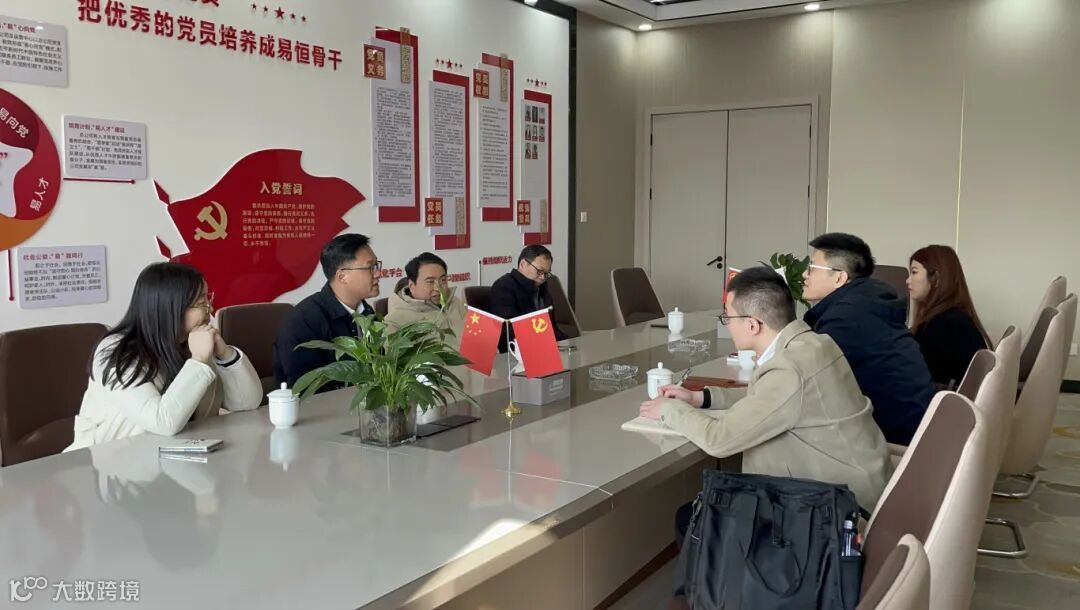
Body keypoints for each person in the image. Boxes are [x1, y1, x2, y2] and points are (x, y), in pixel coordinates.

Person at [640, 266, 892, 517]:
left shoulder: (789, 370)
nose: (727, 325)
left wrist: (669, 409)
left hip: (836, 511)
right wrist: (701, 397)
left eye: (728, 317)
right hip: (858, 488)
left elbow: (719, 440)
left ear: (752, 325)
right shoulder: (815, 343)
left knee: (692, 517)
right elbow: (769, 396)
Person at [67, 262, 262, 450]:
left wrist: (225, 354)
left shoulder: (193, 341)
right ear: (171, 307)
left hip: (181, 458)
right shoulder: (116, 351)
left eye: (207, 299)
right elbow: (162, 422)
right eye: (201, 302)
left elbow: (247, 403)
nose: (210, 310)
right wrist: (198, 361)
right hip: (113, 463)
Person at [802, 232, 934, 446]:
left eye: (812, 268)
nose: (804, 275)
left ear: (839, 277)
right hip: (916, 425)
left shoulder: (846, 318)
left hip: (892, 437)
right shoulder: (867, 303)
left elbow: (807, 381)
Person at [273, 234, 381, 389]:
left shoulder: (367, 312)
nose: (378, 274)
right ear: (342, 276)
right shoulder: (304, 321)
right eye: (370, 267)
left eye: (376, 266)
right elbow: (306, 387)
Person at [907, 245, 989, 389]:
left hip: (938, 400)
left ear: (936, 278)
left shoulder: (942, 325)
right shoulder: (955, 317)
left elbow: (916, 378)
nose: (908, 280)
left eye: (914, 272)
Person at [489, 244, 568, 351]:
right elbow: (506, 332)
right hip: (518, 352)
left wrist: (567, 342)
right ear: (523, 264)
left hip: (546, 347)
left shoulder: (542, 287)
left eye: (546, 273)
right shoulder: (503, 287)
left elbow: (551, 327)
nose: (542, 277)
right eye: (539, 271)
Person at [384, 252, 467, 337]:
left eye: (443, 280)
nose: (438, 288)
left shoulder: (456, 303)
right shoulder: (395, 322)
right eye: (430, 282)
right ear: (412, 286)